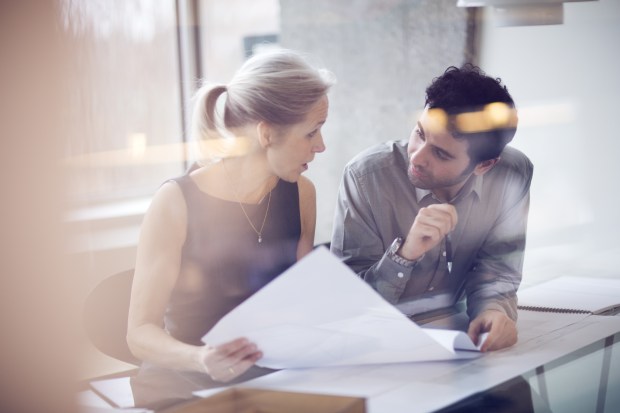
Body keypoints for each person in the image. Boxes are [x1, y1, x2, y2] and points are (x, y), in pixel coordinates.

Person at [126, 48, 335, 404]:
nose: (321, 146)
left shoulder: (302, 193)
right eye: (311, 132)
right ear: (267, 133)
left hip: (269, 375)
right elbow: (139, 333)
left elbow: (300, 300)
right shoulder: (175, 201)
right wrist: (202, 359)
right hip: (185, 381)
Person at [331, 64, 533, 352]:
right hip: (379, 347)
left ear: (484, 165)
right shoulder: (365, 178)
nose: (417, 157)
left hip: (458, 341)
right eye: (420, 133)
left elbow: (497, 268)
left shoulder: (512, 174)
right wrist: (404, 254)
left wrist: (494, 312)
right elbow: (348, 305)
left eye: (440, 153)